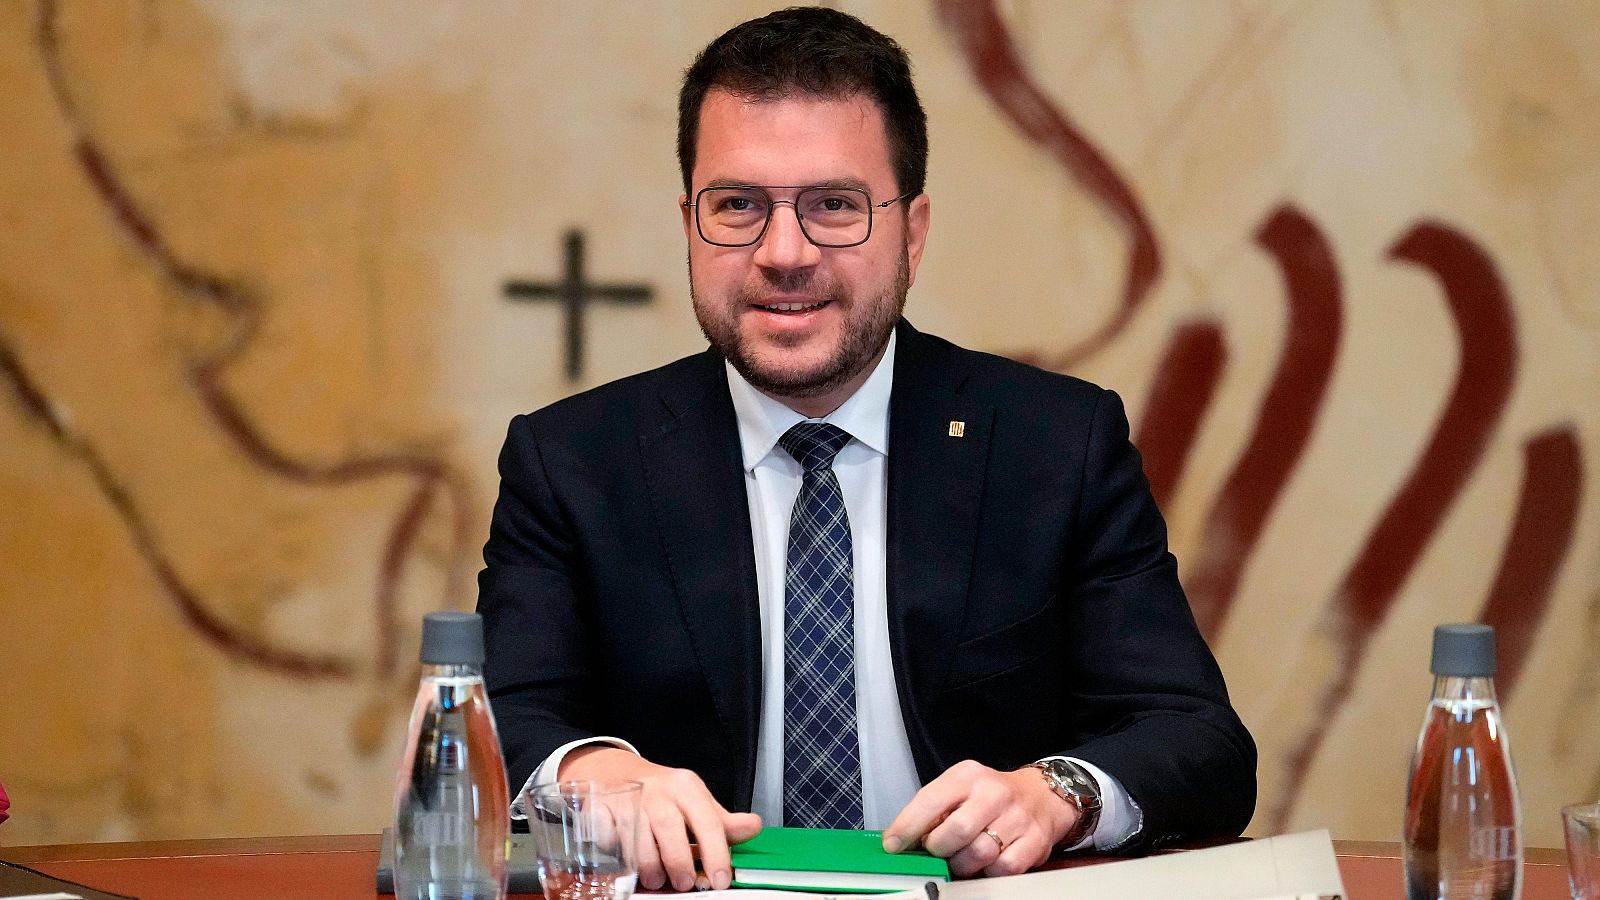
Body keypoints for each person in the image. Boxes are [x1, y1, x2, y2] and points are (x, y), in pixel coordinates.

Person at [478, 6, 1255, 891]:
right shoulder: (573, 462)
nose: (783, 252)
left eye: (835, 207)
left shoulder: (1055, 445)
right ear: (689, 223)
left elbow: (1197, 740)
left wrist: (1057, 792)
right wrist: (592, 775)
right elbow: (498, 718)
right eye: (737, 206)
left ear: (912, 232)